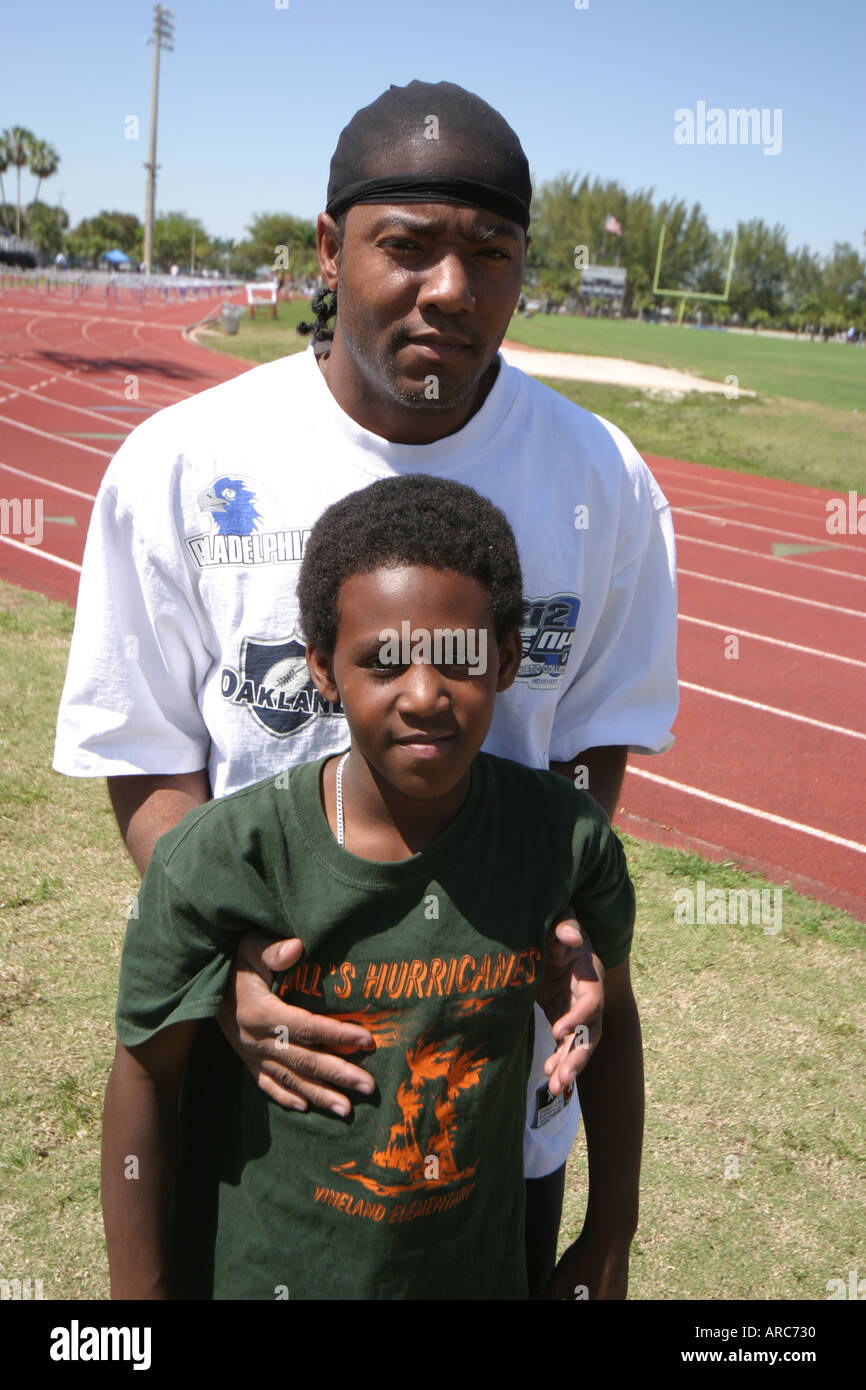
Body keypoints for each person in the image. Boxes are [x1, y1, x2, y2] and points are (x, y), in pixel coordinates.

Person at [55, 79, 677, 1298]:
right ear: (329, 252)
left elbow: (594, 743)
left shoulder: (604, 477)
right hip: (270, 1087)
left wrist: (561, 923)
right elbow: (147, 752)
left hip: (492, 1085)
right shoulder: (180, 466)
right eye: (409, 246)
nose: (451, 287)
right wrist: (226, 961)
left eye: (489, 253)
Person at [102, 474, 635, 1300]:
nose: (423, 694)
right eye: (382, 661)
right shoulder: (224, 857)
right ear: (321, 669)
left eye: (458, 656)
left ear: (506, 659)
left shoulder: (563, 840)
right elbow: (145, 1075)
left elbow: (614, 1018)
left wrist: (609, 1239)